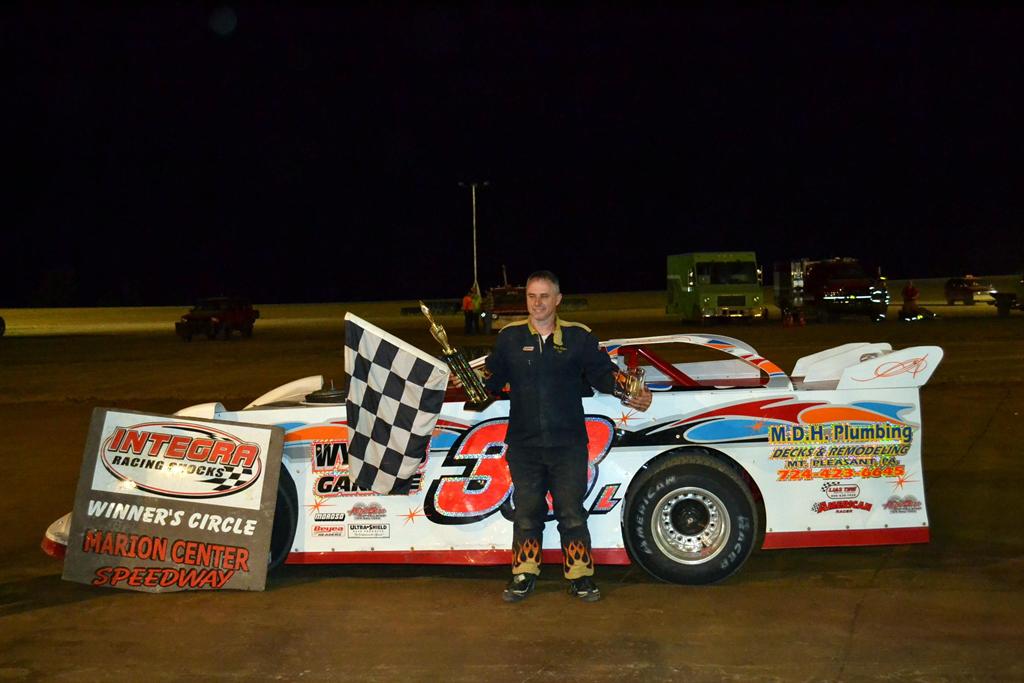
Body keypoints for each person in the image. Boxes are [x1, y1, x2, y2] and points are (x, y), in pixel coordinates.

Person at [483, 270, 652, 603]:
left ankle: (580, 576)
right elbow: (489, 380)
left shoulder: (579, 337)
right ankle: (523, 574)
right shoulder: (509, 338)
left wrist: (634, 392)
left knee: (571, 512)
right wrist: (462, 380)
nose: (537, 303)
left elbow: (604, 375)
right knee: (526, 513)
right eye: (532, 296)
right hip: (524, 445)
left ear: (558, 299)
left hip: (569, 445)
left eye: (544, 296)